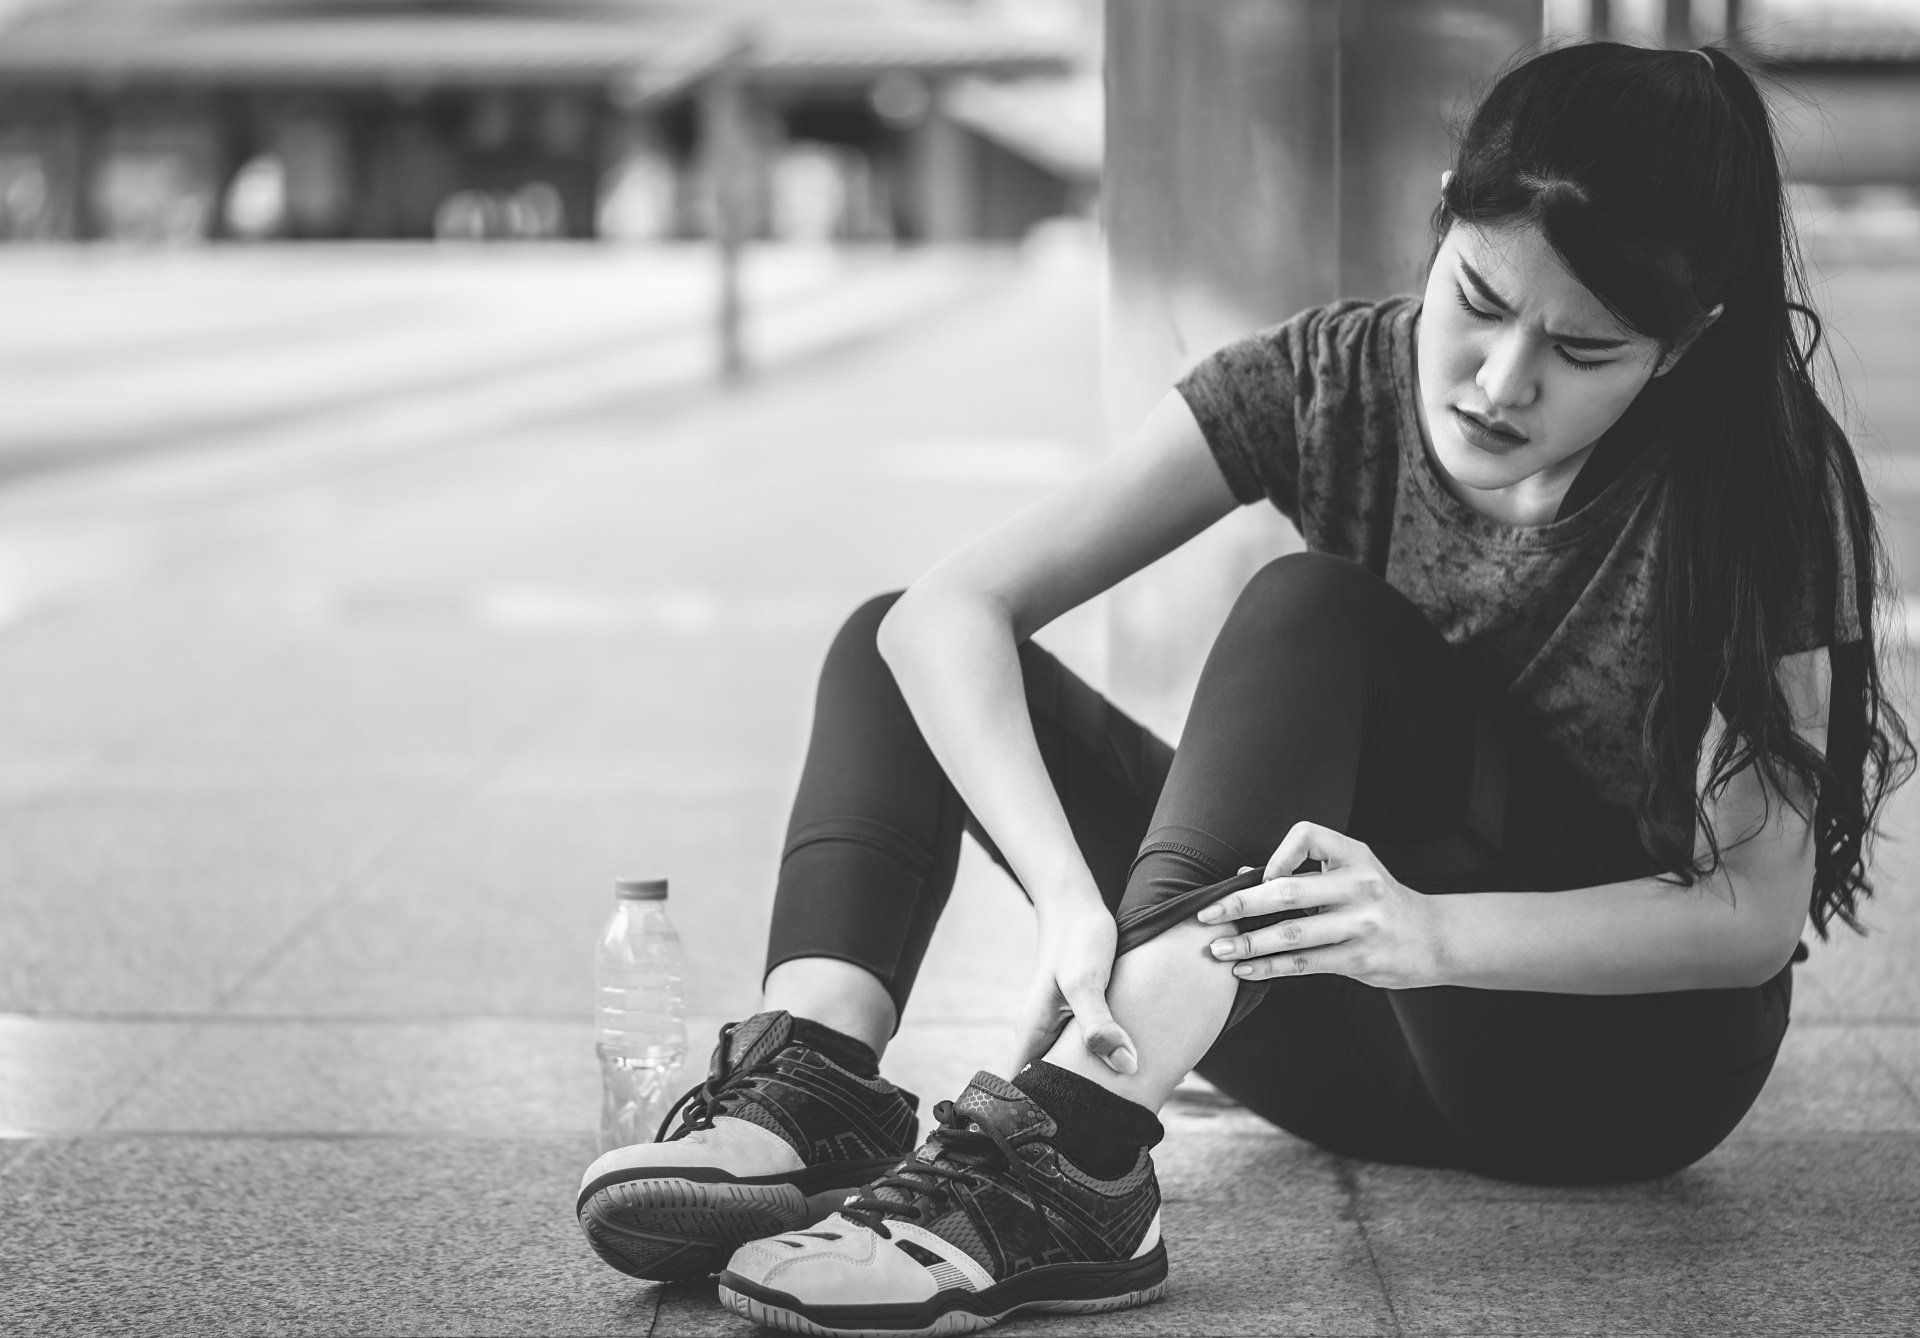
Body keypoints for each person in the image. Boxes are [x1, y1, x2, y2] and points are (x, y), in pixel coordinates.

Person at [574, 40, 1913, 1338]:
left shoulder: (1757, 482)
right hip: (1348, 1043)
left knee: (1313, 607)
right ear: (1441, 226)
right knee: (892, 642)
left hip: (1606, 1073)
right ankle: (810, 1085)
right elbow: (950, 614)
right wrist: (1064, 903)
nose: (1503, 383)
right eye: (1483, 302)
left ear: (1682, 349)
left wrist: (1431, 933)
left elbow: (1749, 914)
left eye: (1587, 350)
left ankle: (1071, 1159)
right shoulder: (1332, 377)